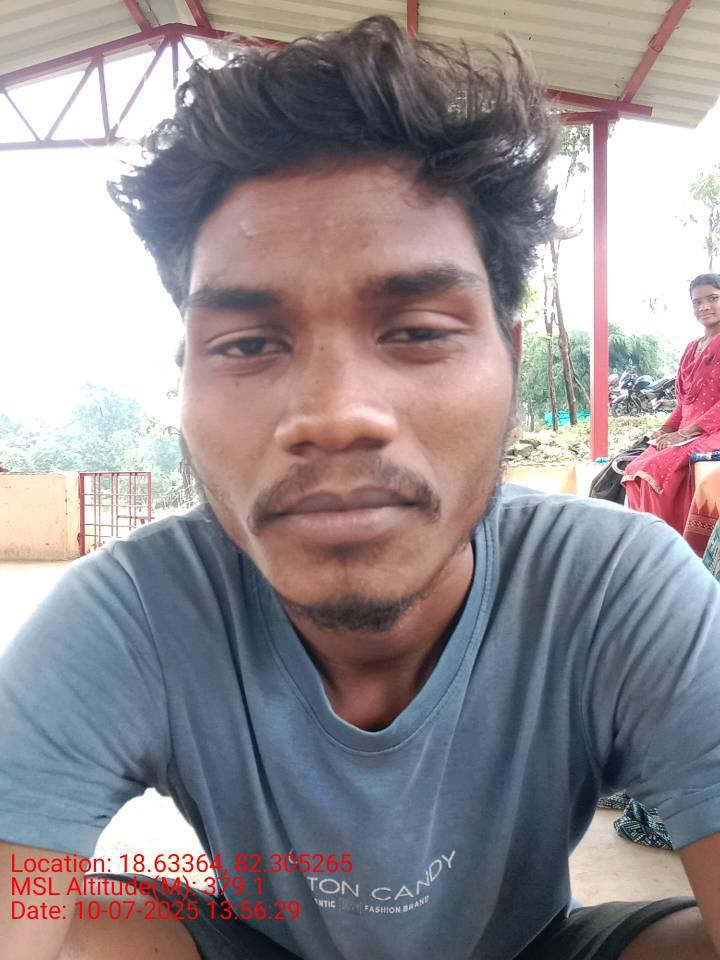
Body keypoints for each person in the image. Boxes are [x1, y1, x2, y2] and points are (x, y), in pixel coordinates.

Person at [2, 17, 720, 960]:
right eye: (248, 344)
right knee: (73, 931)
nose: (334, 415)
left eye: (417, 330)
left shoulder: (616, 588)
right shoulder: (132, 613)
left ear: (510, 358)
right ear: (184, 380)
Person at [623, 273, 720, 532]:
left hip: (713, 431)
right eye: (697, 302)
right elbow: (684, 403)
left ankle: (672, 543)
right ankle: (643, 542)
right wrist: (666, 430)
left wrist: (685, 434)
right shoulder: (692, 348)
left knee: (655, 470)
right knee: (633, 468)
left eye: (713, 298)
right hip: (687, 432)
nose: (704, 307)